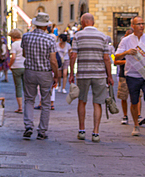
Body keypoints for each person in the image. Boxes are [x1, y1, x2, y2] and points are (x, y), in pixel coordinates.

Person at [68, 13, 113, 142]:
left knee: (82, 101)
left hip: (83, 73)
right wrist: (109, 76)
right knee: (97, 102)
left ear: (83, 23)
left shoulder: (78, 36)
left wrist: (72, 73)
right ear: (92, 22)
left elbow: (73, 55)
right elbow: (106, 58)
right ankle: (96, 132)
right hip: (99, 74)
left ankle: (82, 130)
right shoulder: (103, 37)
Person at [21, 12, 61, 140]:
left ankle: (28, 126)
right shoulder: (50, 39)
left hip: (30, 71)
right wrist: (57, 75)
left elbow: (24, 54)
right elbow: (53, 60)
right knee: (45, 102)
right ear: (46, 26)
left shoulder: (26, 37)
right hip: (45, 73)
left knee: (29, 99)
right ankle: (42, 131)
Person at [113, 28, 133, 125]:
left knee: (137, 97)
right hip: (123, 74)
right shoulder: (122, 46)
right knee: (123, 96)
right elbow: (116, 61)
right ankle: (125, 115)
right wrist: (127, 60)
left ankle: (138, 115)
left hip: (136, 75)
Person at [7, 29, 25, 113]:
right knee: (27, 87)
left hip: (16, 67)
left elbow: (13, 57)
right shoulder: (25, 43)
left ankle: (20, 107)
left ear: (13, 37)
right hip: (25, 66)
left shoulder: (14, 45)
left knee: (18, 87)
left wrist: (9, 65)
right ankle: (28, 105)